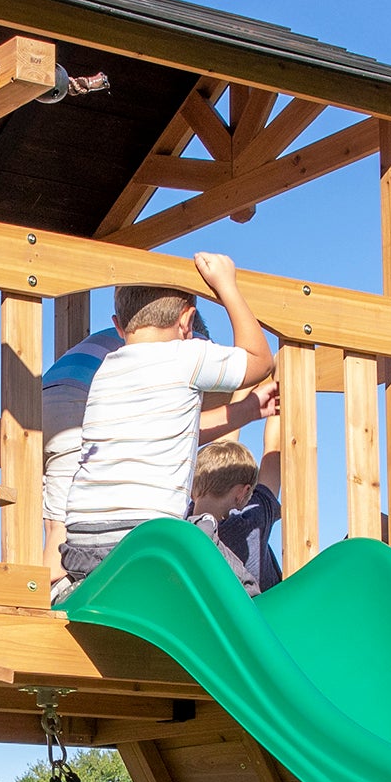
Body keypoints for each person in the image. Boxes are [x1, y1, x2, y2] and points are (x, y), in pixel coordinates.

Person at [55, 256, 276, 601]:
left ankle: (74, 590)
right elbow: (260, 361)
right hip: (147, 538)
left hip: (82, 542)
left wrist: (246, 410)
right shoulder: (186, 357)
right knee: (239, 586)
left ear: (117, 326)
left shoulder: (106, 370)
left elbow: (179, 431)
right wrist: (226, 286)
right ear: (187, 322)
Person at [191, 428, 284, 594]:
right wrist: (275, 408)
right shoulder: (250, 521)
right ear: (242, 492)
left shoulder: (184, 522)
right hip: (263, 615)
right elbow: (273, 449)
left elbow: (215, 464)